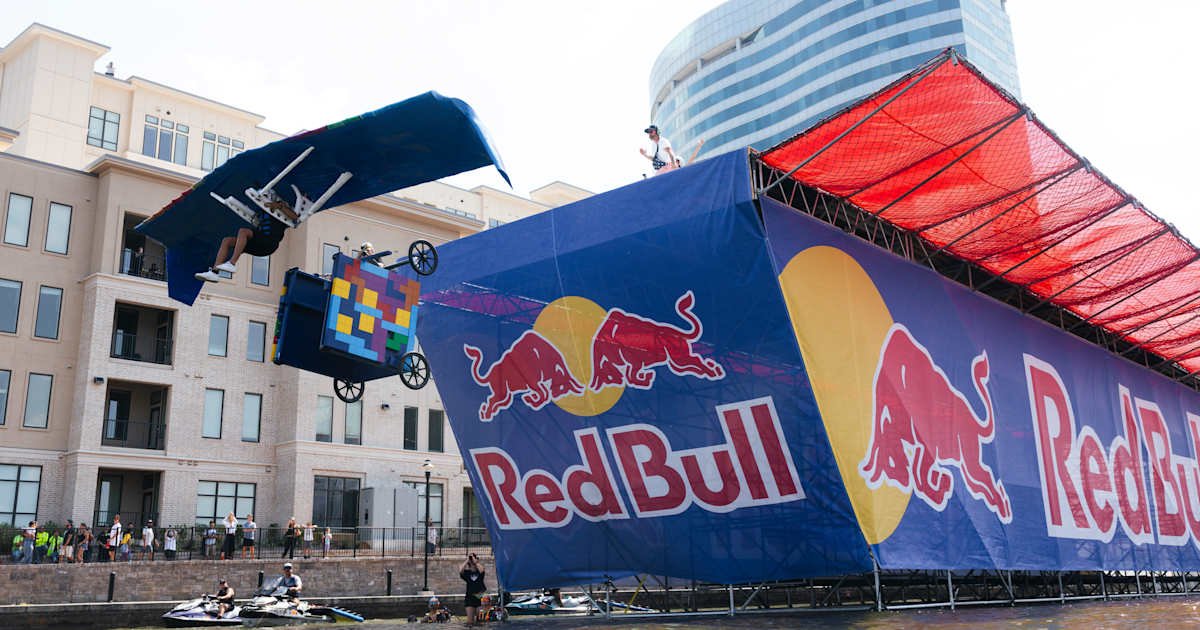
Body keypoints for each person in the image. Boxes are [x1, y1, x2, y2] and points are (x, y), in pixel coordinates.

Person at [195, 198, 297, 282]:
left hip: (270, 242)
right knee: (227, 241)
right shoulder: (262, 209)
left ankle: (232, 263)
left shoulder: (284, 211)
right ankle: (214, 273)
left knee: (243, 231)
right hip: (260, 244)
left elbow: (295, 217)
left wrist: (279, 206)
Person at [460, 553, 487, 625]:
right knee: (470, 622)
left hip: (480, 596)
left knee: (480, 620)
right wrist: (467, 560)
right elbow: (461, 571)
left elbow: (482, 570)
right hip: (469, 597)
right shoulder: (467, 573)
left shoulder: (479, 571)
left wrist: (475, 562)